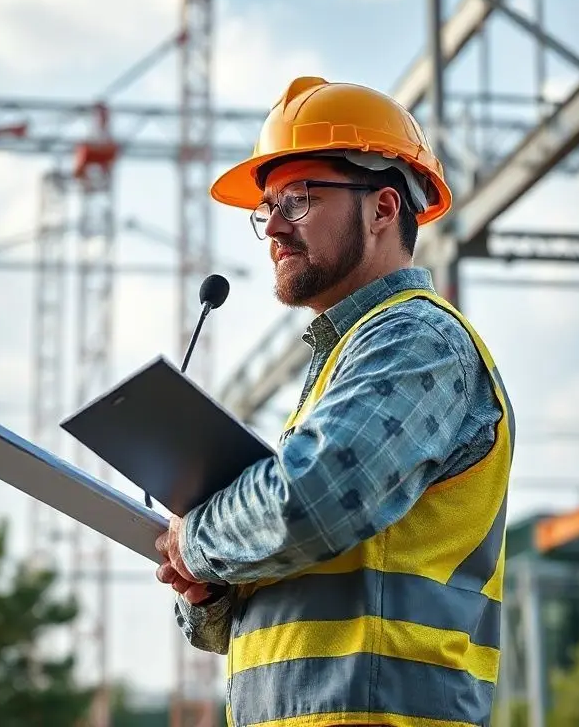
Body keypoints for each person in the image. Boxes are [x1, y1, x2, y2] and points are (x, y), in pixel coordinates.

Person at [154, 76, 515, 727]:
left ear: (382, 209)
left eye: (299, 199)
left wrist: (198, 536)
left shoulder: (417, 341)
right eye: (266, 209)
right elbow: (229, 632)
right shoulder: (341, 368)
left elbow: (312, 501)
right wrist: (208, 591)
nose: (274, 231)